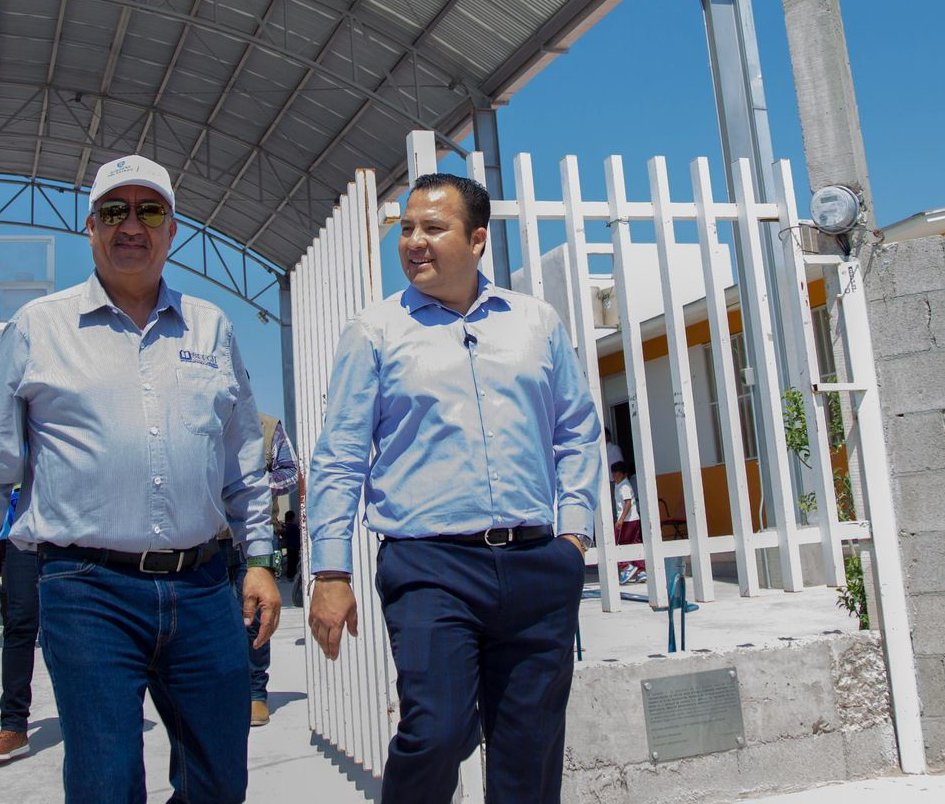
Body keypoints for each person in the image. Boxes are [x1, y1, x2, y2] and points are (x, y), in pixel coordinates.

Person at [0, 153, 278, 804]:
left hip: (205, 589)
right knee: (106, 783)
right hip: (88, 592)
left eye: (149, 210)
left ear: (171, 229)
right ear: (89, 227)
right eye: (114, 211)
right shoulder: (38, 329)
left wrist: (259, 558)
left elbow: (241, 464)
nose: (131, 225)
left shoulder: (213, 328)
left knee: (219, 784)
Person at [308, 172, 601, 804]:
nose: (413, 241)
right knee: (436, 731)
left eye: (432, 228)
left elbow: (578, 430)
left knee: (530, 749)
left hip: (536, 562)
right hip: (429, 564)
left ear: (476, 240)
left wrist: (574, 537)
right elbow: (339, 458)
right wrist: (330, 572)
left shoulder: (535, 323)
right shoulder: (376, 331)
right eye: (406, 228)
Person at [228, 416, 299, 727]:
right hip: (206, 538)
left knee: (255, 617)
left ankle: (256, 692)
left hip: (253, 535)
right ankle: (222, 692)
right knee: (213, 619)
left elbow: (290, 472)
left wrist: (252, 487)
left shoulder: (268, 427)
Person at [0, 485, 38, 765]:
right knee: (18, 628)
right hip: (24, 541)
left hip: (79, 540)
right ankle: (13, 726)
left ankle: (89, 720)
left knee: (81, 633)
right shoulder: (23, 439)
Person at [611, 459, 645, 585]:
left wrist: (620, 519)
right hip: (634, 519)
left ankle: (625, 566)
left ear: (624, 474)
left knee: (617, 543)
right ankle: (641, 570)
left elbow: (628, 503)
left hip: (626, 521)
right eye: (613, 473)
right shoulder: (619, 485)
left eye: (617, 473)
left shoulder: (624, 486)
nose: (614, 475)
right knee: (634, 543)